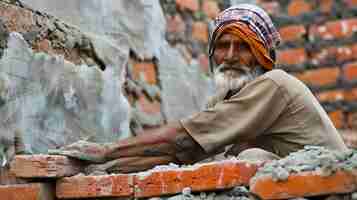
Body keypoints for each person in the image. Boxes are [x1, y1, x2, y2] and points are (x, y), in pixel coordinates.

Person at [51, 4, 347, 174]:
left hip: (328, 186)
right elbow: (184, 152)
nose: (230, 56)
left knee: (250, 162)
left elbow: (184, 136)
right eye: (222, 46)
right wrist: (106, 170)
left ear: (263, 55)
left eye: (244, 47)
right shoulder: (225, 98)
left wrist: (106, 151)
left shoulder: (274, 84)